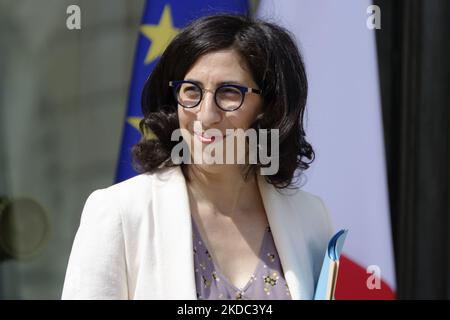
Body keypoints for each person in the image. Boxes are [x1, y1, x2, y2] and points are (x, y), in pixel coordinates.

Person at [62, 14, 333, 300]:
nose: (206, 115)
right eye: (191, 91)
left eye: (229, 92)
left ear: (270, 106)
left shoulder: (311, 218)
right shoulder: (118, 211)